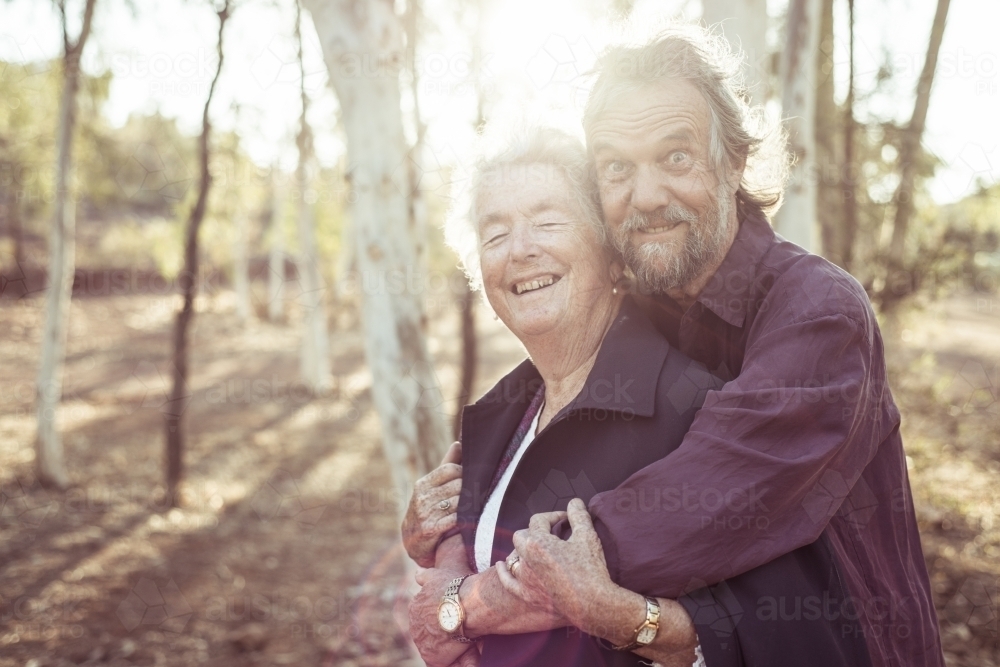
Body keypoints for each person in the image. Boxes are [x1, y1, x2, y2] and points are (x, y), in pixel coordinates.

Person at [407, 24, 944, 667]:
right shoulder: (648, 308)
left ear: (735, 158)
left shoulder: (818, 313)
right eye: (616, 168)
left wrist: (465, 604)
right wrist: (444, 535)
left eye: (676, 156)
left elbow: (693, 511)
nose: (648, 195)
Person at [405, 127, 722, 667]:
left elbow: (740, 630)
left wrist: (454, 609)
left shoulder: (694, 408)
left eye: (547, 221)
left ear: (613, 250)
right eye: (494, 234)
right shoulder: (498, 415)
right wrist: (435, 540)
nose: (521, 249)